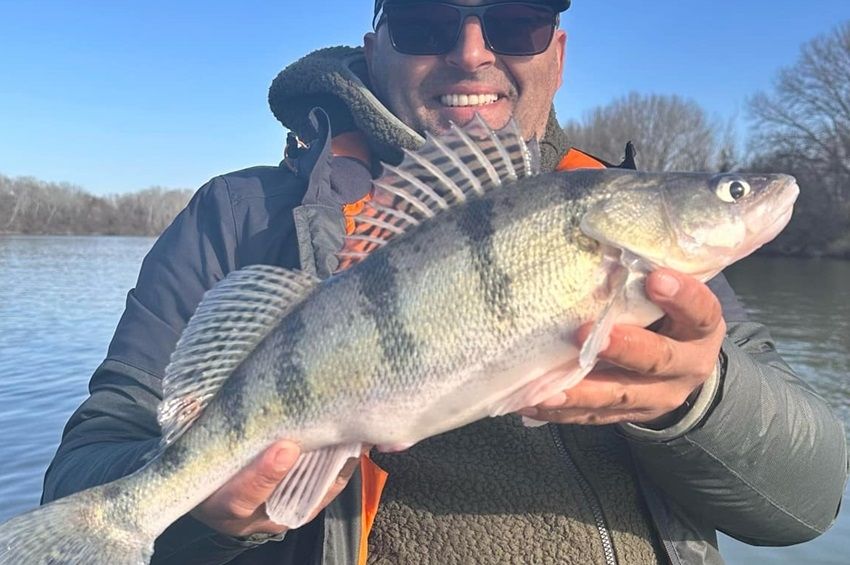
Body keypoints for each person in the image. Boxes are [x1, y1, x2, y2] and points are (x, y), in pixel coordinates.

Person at [42, 1, 847, 564]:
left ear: (557, 55)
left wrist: (703, 398)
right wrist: (199, 519)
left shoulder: (630, 231)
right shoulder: (240, 215)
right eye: (427, 20)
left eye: (517, 18)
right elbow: (89, 462)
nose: (472, 52)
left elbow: (807, 502)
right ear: (375, 44)